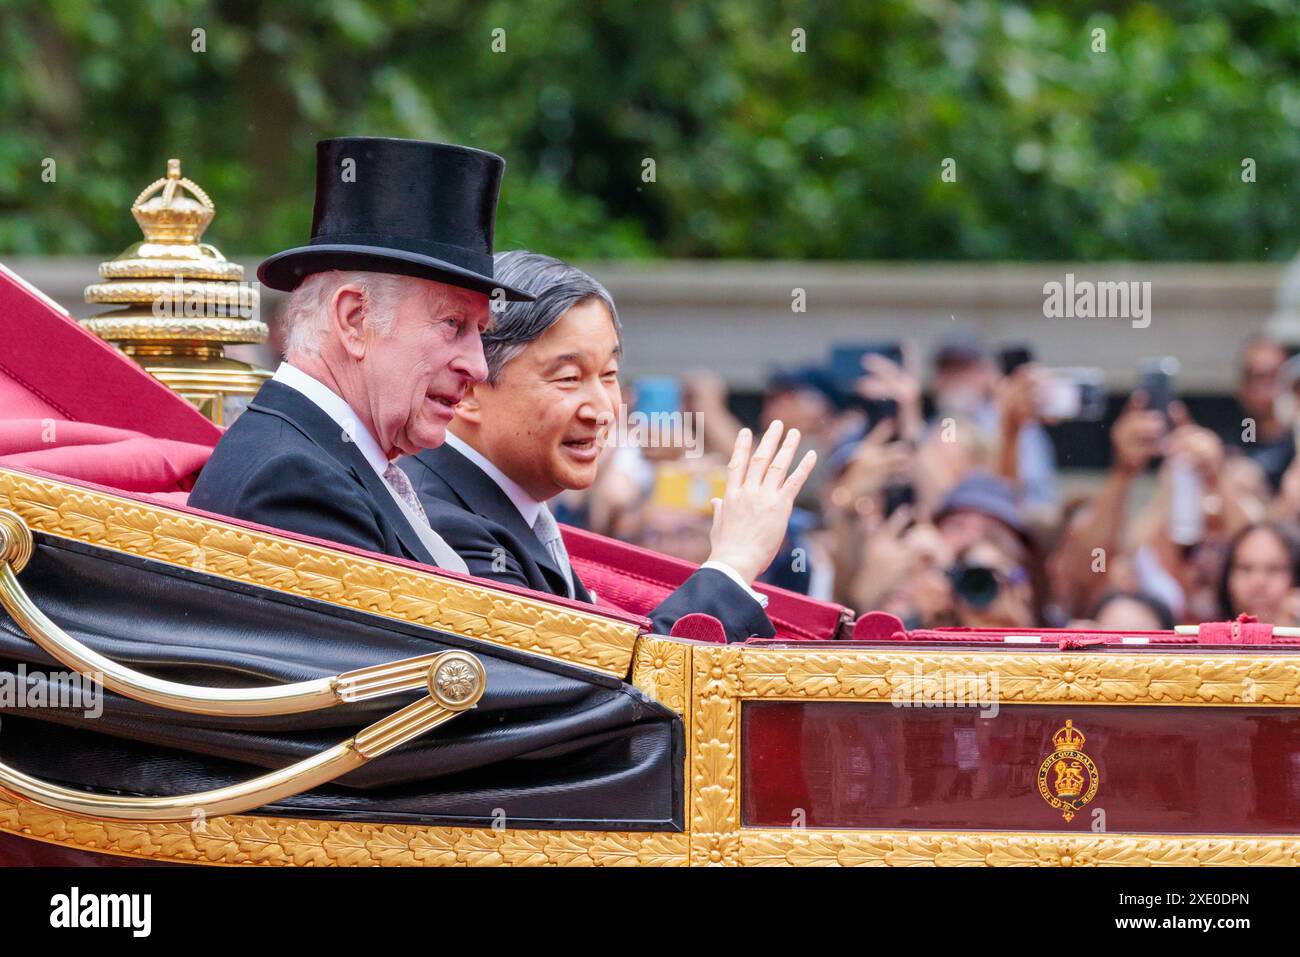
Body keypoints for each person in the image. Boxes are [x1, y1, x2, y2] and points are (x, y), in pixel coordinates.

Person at [401, 251, 816, 642]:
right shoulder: (445, 525)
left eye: (609, 374)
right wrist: (733, 563)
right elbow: (602, 691)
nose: (603, 409)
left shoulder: (503, 509)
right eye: (569, 378)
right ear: (471, 387)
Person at [189, 137, 534, 569]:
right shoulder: (297, 484)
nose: (479, 367)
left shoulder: (325, 459)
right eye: (453, 324)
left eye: (480, 331)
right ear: (354, 319)